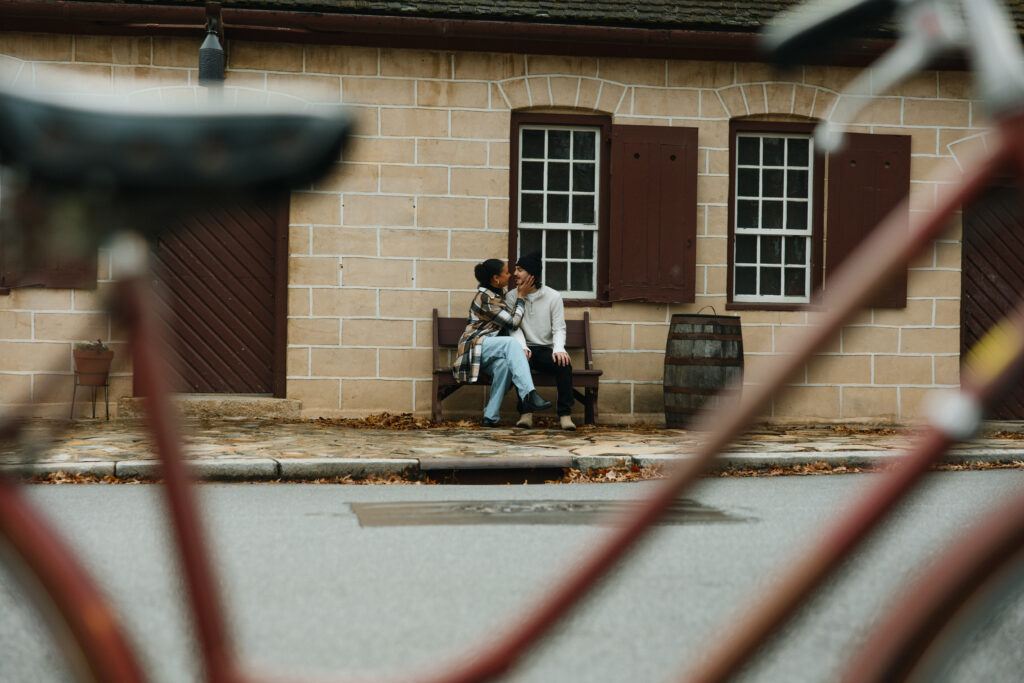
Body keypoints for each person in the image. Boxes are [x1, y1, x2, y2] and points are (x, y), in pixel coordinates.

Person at [453, 258, 552, 427]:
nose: (511, 275)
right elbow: (513, 323)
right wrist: (521, 296)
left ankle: (490, 416)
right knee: (510, 344)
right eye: (506, 272)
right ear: (495, 278)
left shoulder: (498, 294)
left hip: (489, 349)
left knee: (504, 366)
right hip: (474, 348)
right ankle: (529, 395)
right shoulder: (485, 298)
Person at [506, 252, 576, 430]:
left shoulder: (553, 296)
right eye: (515, 269)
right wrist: (522, 347)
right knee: (520, 363)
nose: (514, 273)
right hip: (523, 348)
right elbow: (514, 327)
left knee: (564, 365)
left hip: (546, 349)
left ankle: (565, 415)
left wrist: (559, 349)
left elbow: (559, 328)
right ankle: (526, 414)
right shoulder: (511, 297)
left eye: (519, 270)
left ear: (531, 275)